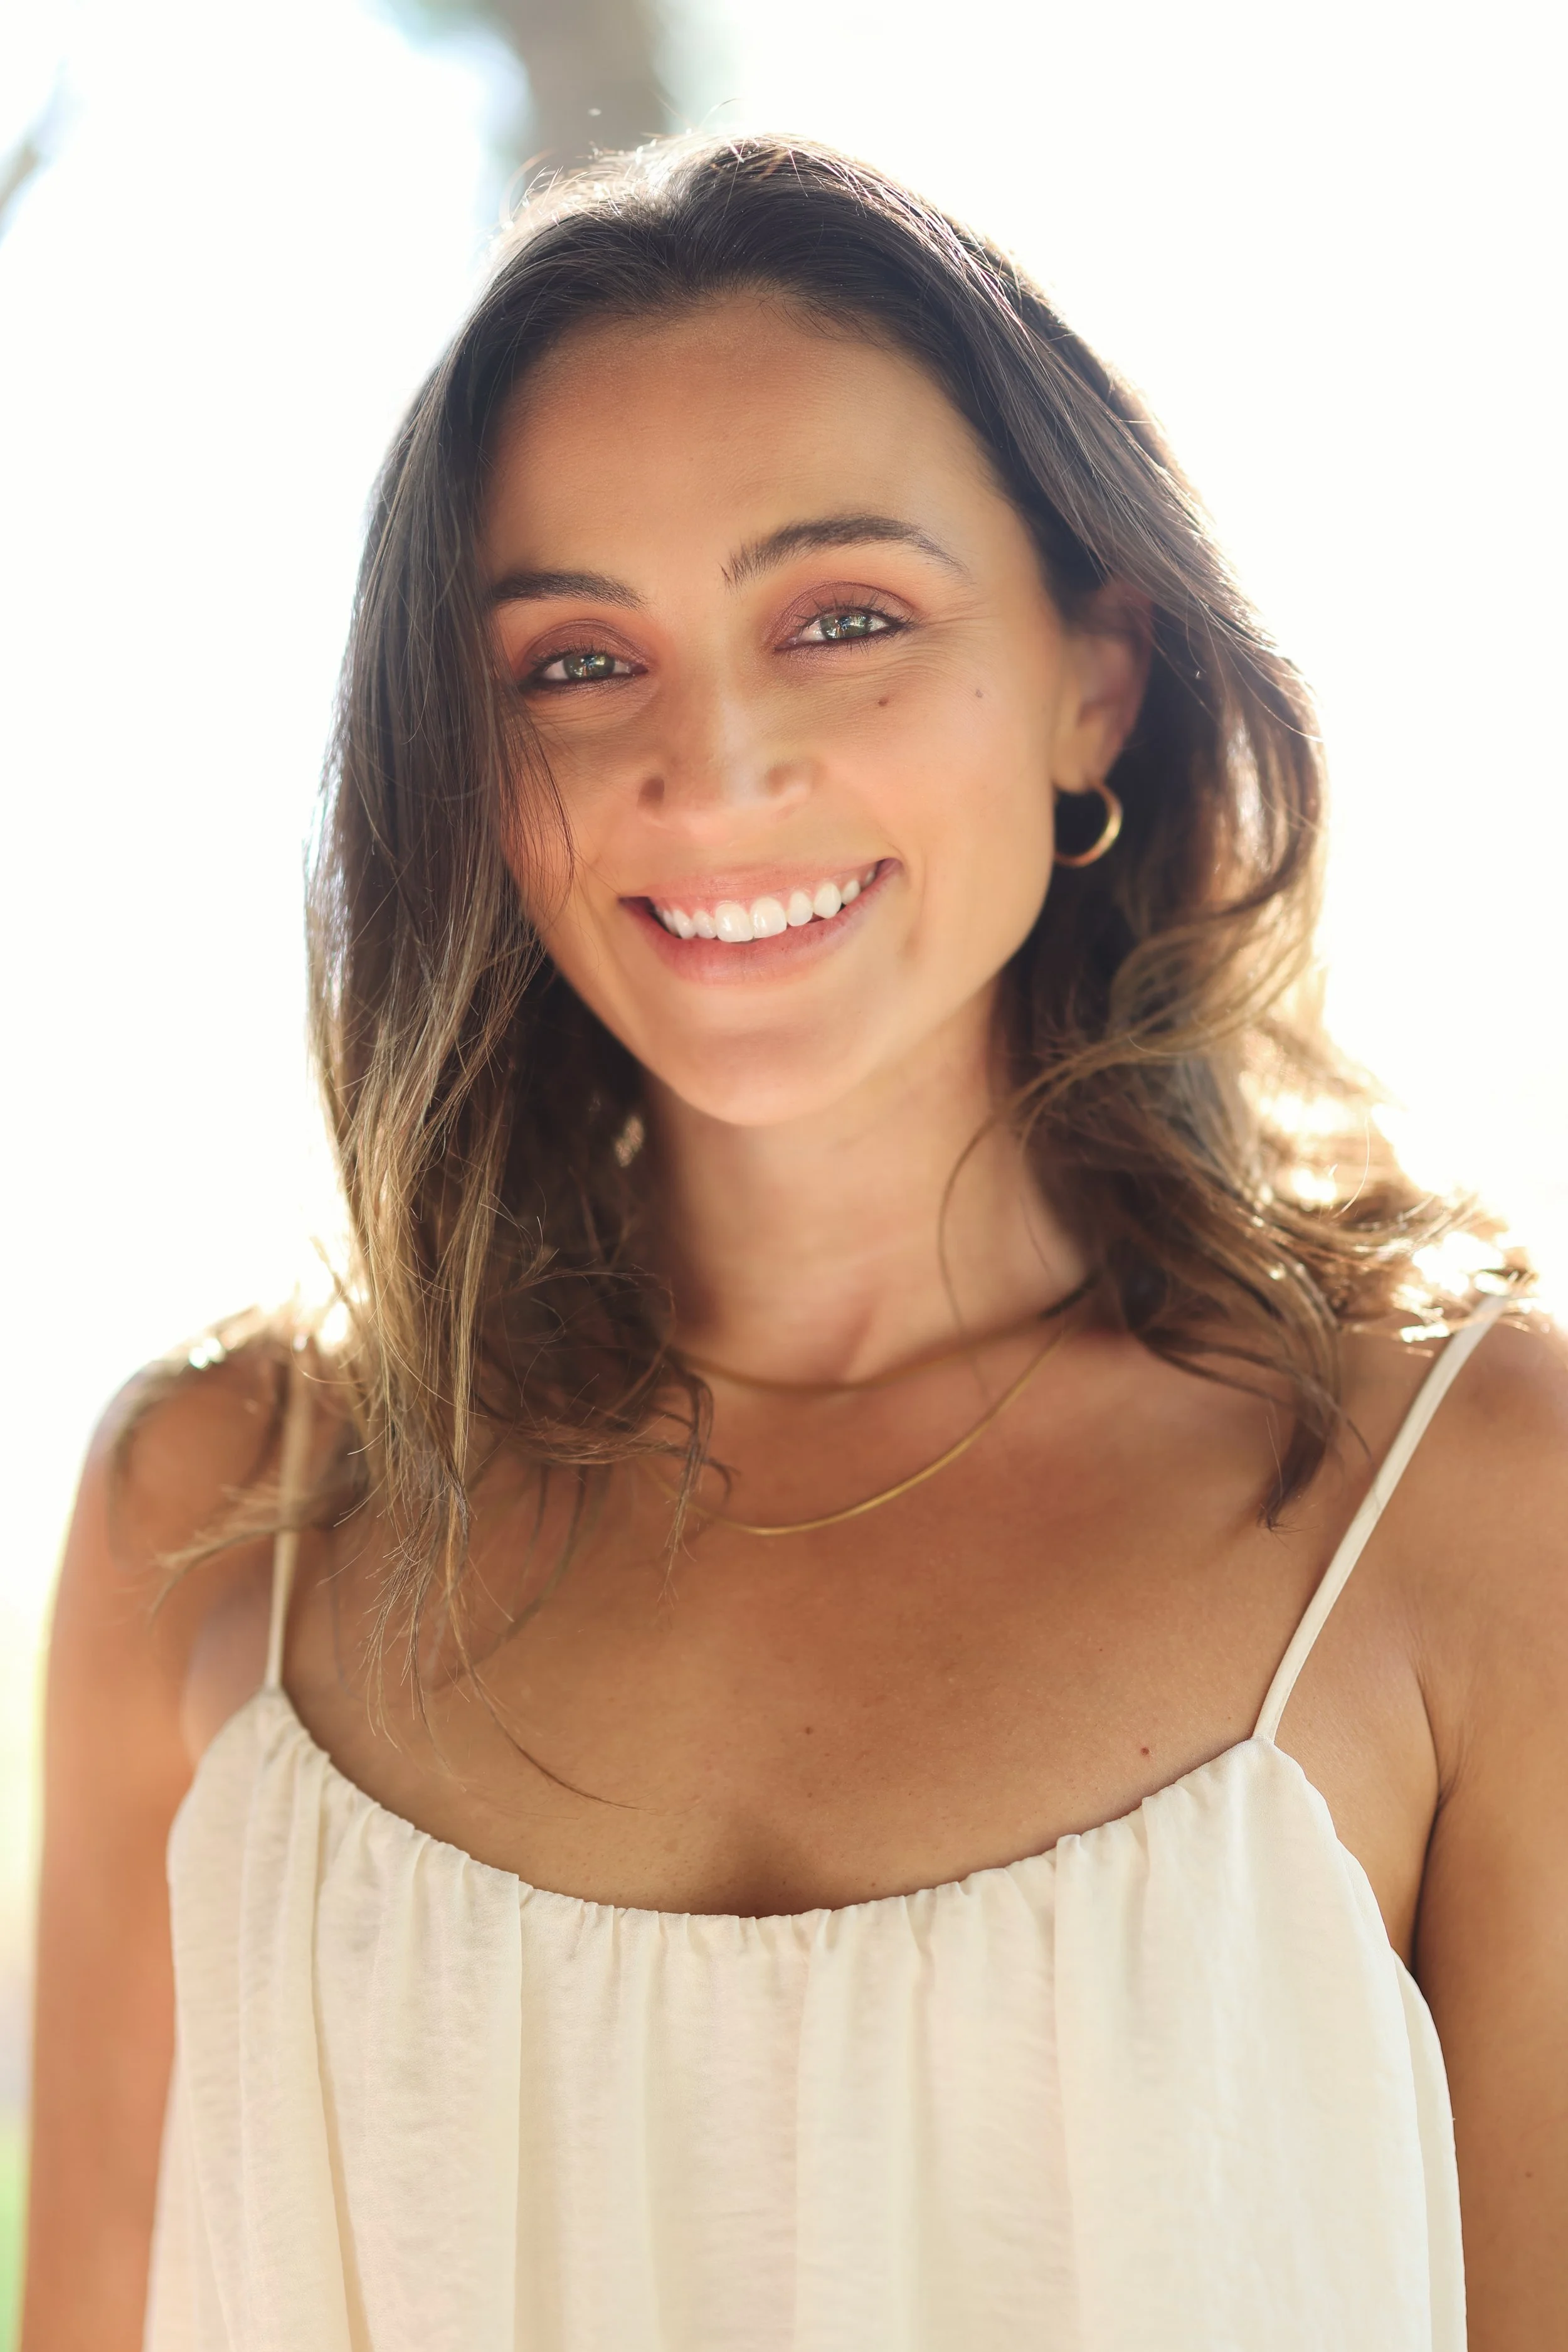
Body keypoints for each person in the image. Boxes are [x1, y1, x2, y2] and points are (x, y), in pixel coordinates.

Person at [21, 134, 1568, 2352]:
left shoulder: (1460, 1508)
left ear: (1093, 680)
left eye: (840, 618)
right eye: (573, 660)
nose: (710, 764)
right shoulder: (220, 1520)